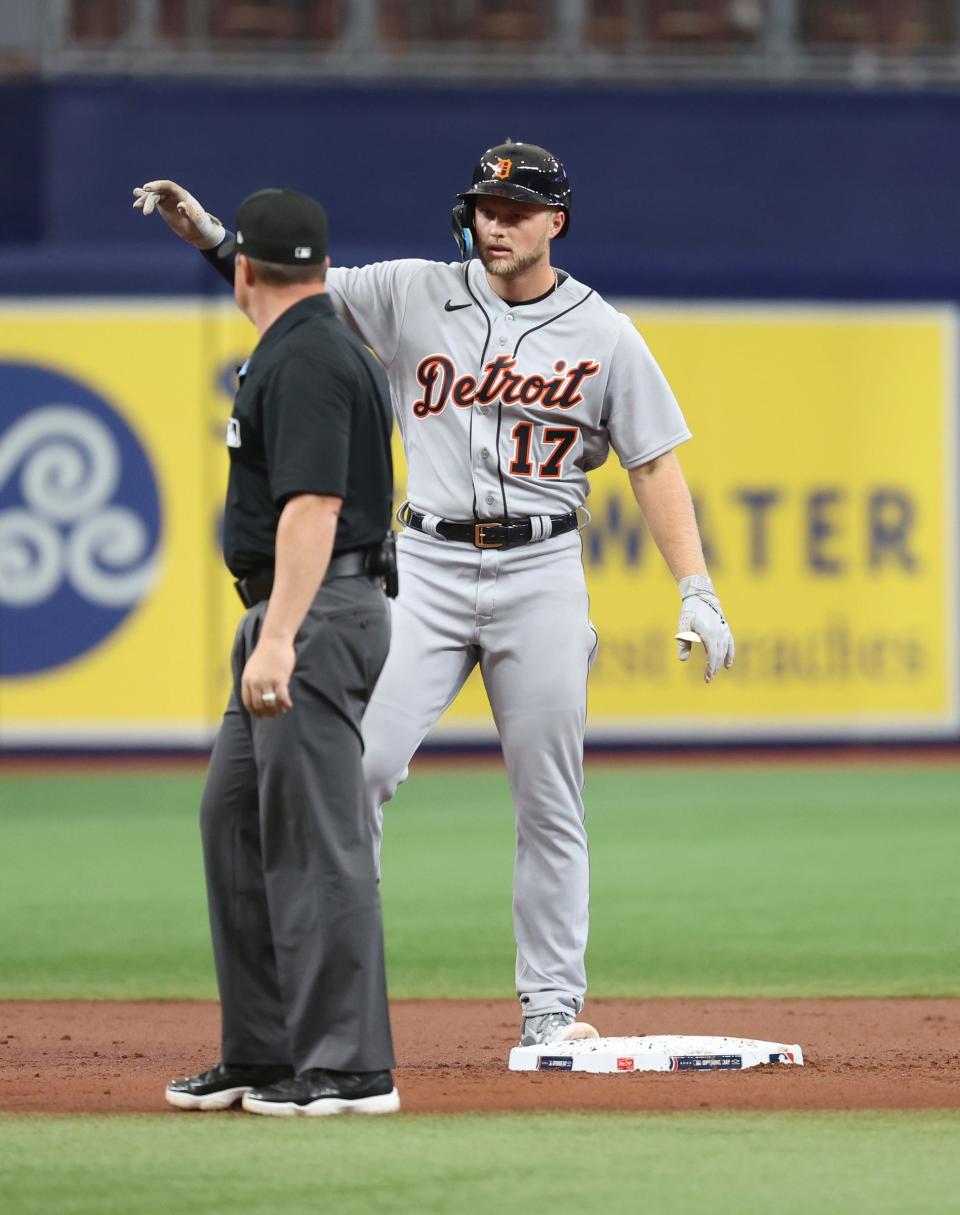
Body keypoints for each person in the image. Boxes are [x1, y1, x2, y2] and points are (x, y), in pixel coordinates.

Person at [134, 142, 734, 1051]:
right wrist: (214, 236)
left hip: (540, 571)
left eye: (517, 209)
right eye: (486, 206)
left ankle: (551, 1011)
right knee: (358, 771)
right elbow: (300, 290)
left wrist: (697, 588)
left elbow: (653, 461)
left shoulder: (604, 333)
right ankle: (331, 998)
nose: (496, 221)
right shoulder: (413, 290)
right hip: (427, 566)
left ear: (555, 222)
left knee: (548, 795)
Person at [160, 187, 400, 1116]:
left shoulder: (304, 357)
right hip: (299, 610)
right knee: (238, 824)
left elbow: (315, 507)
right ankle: (263, 1049)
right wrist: (213, 238)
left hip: (314, 611)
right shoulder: (316, 335)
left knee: (315, 840)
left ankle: (349, 1066)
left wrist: (283, 637)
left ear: (249, 273)